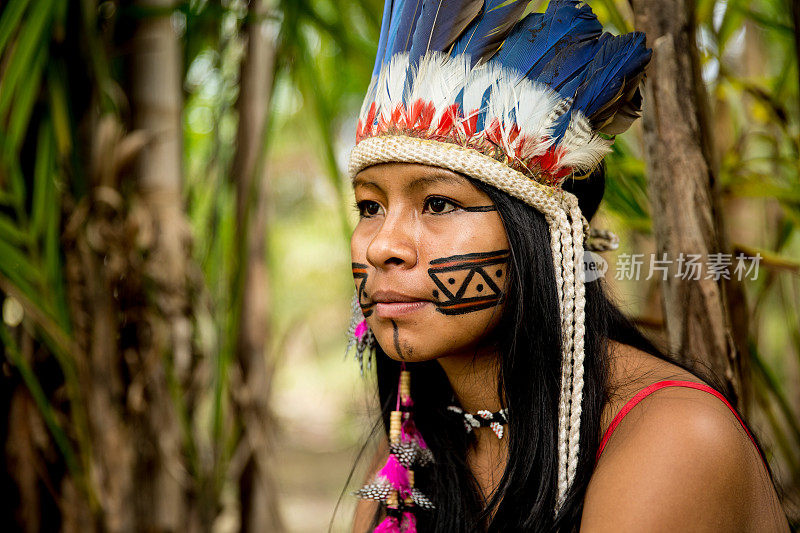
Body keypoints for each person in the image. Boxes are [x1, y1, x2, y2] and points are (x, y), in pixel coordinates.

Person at [342, 1, 791, 531]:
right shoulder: (411, 458)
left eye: (438, 203)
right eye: (370, 207)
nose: (381, 246)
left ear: (543, 235)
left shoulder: (673, 438)